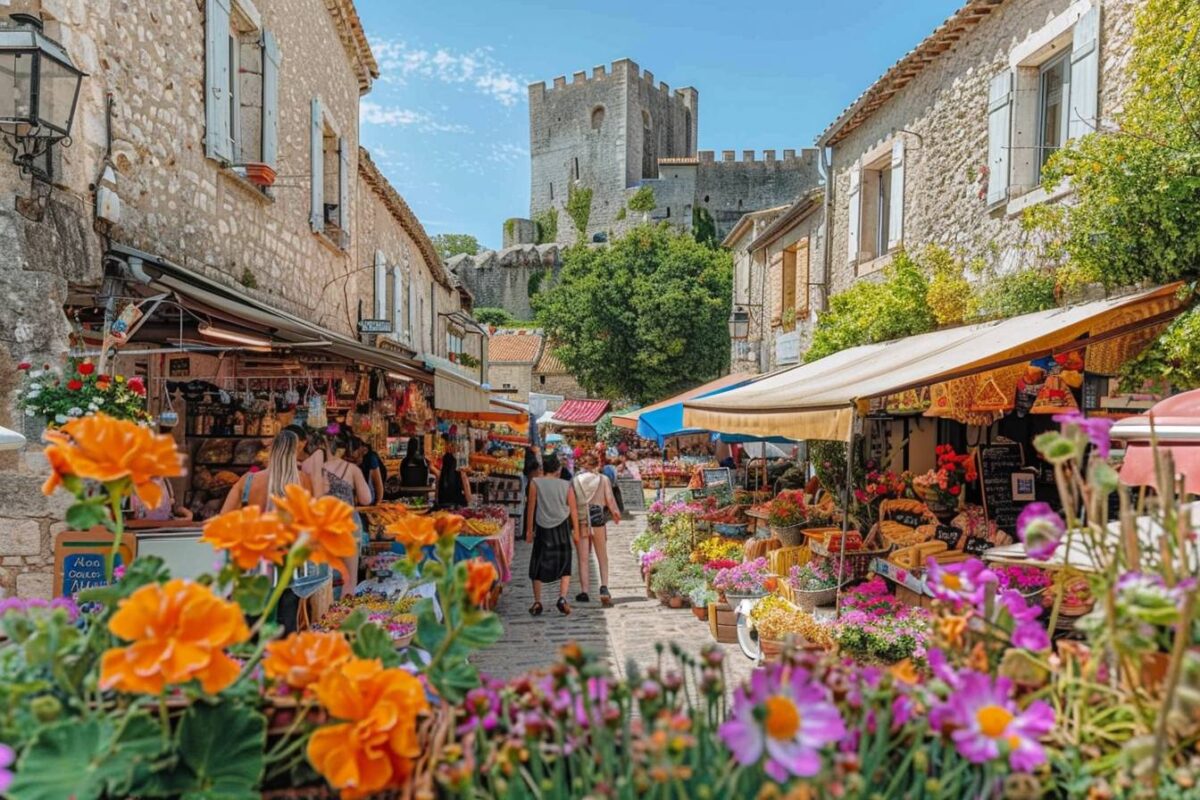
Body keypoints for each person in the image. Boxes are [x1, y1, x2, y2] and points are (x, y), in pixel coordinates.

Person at [219, 430, 325, 633]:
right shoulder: (304, 481)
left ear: (272, 451)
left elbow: (224, 518)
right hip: (290, 564)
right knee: (287, 621)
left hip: (255, 561)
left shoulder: (248, 481)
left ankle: (252, 661)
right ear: (294, 453)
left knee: (252, 620)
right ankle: (281, 660)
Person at [308, 430, 371, 595]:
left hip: (323, 524)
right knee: (349, 578)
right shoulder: (352, 469)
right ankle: (344, 615)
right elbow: (366, 499)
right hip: (348, 523)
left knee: (324, 577)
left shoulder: (312, 469)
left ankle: (325, 614)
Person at [525, 453, 579, 616]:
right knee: (565, 562)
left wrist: (529, 530)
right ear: (557, 469)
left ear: (543, 468)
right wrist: (576, 530)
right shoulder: (566, 485)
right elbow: (573, 510)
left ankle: (537, 601)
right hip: (562, 527)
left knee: (538, 562)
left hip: (542, 528)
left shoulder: (535, 483)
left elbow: (531, 508)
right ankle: (562, 598)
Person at [571, 454, 621, 606]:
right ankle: (604, 587)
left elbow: (571, 503)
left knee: (583, 557)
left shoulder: (575, 480)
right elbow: (610, 500)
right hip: (598, 518)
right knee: (602, 555)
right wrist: (616, 514)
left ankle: (585, 591)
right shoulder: (603, 479)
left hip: (581, 520)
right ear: (596, 464)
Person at [353, 437, 387, 505]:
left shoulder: (371, 459)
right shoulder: (349, 461)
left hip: (369, 502)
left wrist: (377, 504)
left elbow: (379, 486)